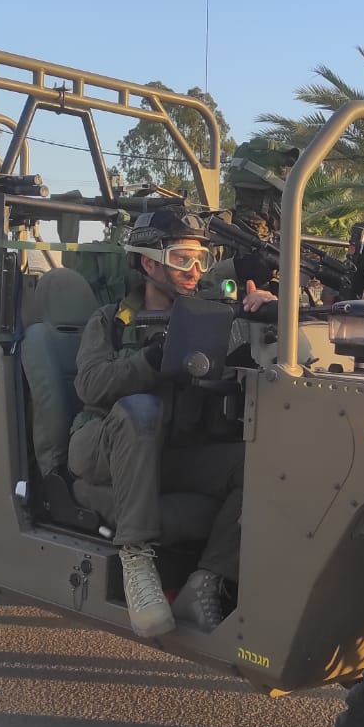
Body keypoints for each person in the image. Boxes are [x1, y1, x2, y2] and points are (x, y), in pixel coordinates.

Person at [69, 207, 277, 637]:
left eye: (200, 259)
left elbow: (283, 362)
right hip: (102, 447)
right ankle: (136, 559)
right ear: (149, 262)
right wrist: (150, 358)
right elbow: (90, 386)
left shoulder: (213, 317)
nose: (195, 269)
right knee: (140, 409)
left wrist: (268, 320)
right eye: (183, 258)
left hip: (171, 452)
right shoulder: (110, 321)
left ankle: (207, 579)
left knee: (257, 463)